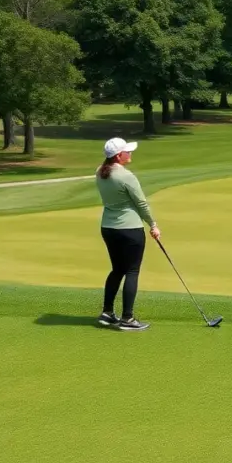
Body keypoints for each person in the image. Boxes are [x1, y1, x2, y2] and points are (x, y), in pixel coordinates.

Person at [95, 138, 160, 331]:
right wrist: (153, 224)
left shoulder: (100, 172)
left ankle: (107, 313)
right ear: (118, 155)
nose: (130, 154)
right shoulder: (126, 176)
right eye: (127, 151)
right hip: (129, 229)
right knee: (132, 271)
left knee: (117, 269)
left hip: (108, 228)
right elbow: (141, 204)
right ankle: (128, 319)